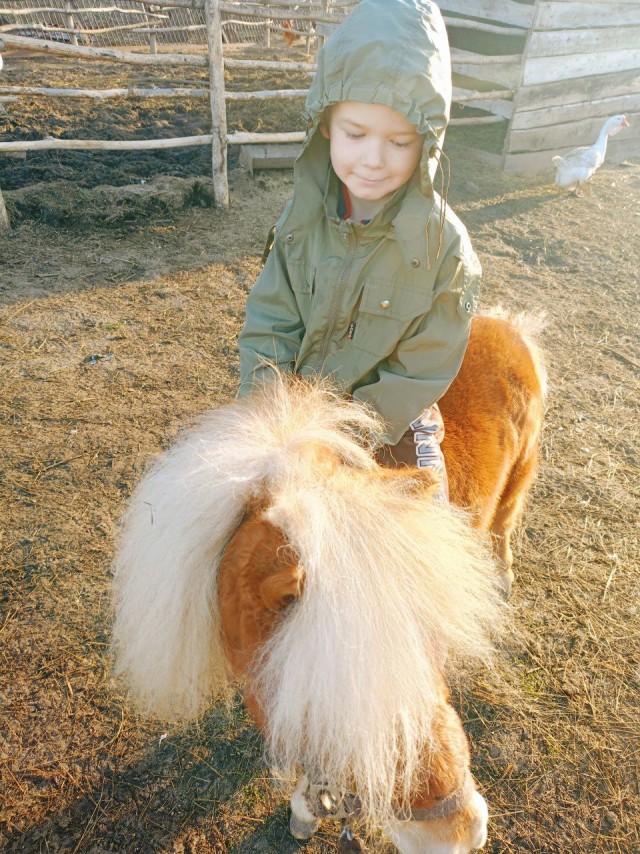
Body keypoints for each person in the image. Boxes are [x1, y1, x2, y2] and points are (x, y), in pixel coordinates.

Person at [238, 0, 481, 498]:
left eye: (399, 141)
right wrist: (268, 406)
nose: (373, 160)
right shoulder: (299, 222)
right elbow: (271, 320)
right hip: (292, 411)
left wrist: (347, 437)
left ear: (428, 144)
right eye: (355, 134)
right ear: (326, 124)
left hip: (388, 425)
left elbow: (421, 367)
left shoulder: (446, 251)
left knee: (426, 521)